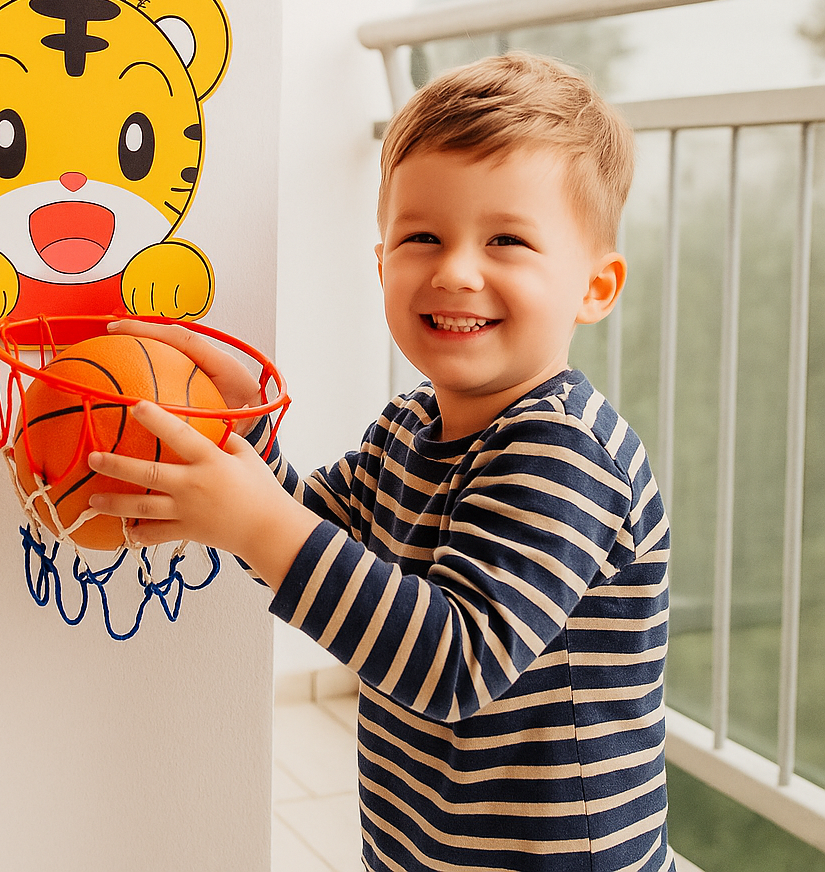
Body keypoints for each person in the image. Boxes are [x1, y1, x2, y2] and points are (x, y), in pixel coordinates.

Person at [88, 52, 675, 872]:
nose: (456, 270)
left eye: (506, 239)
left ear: (595, 286)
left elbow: (454, 662)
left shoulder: (566, 452)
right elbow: (316, 534)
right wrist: (242, 438)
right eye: (421, 237)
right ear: (381, 263)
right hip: (425, 844)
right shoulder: (408, 426)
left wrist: (255, 518)